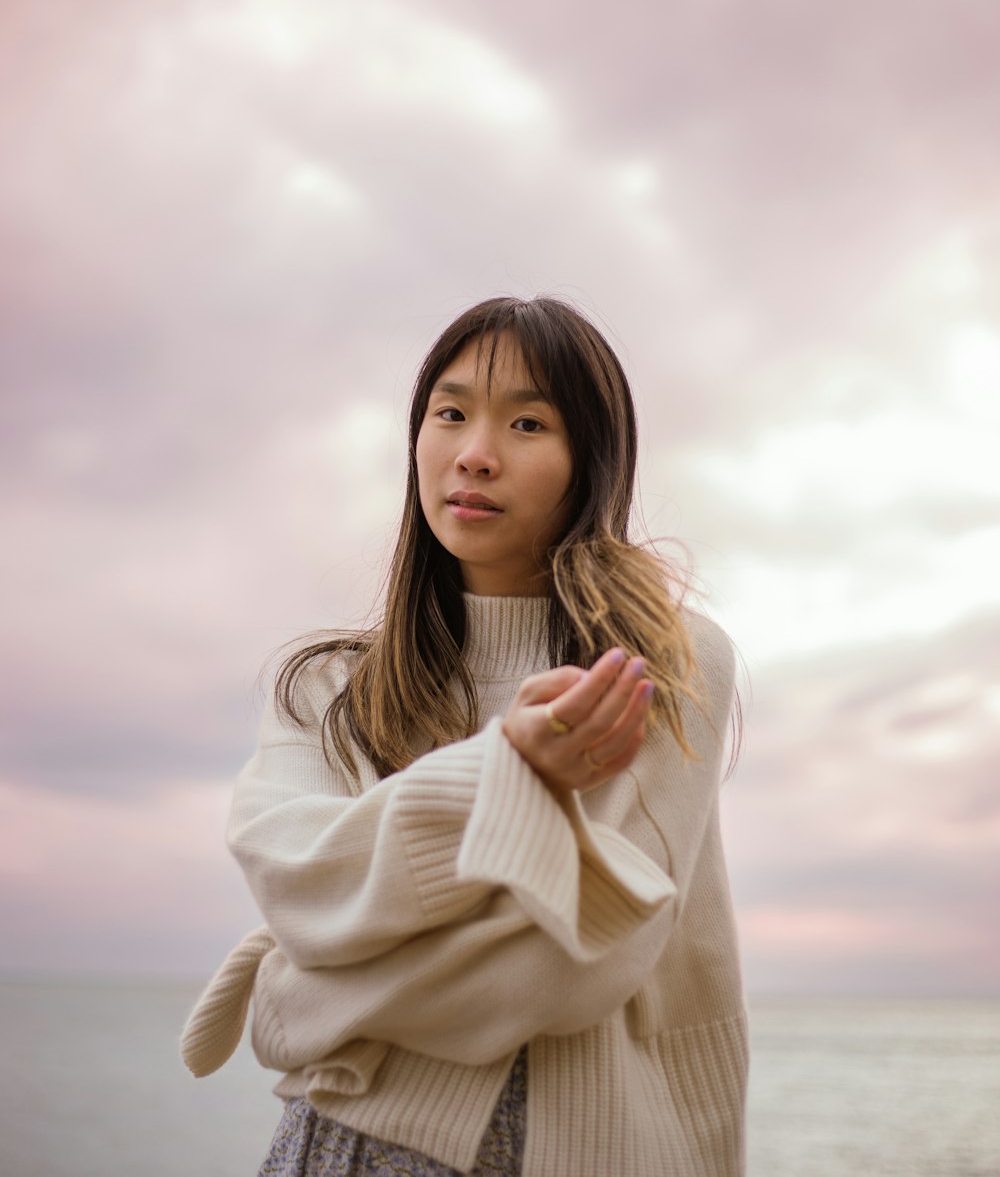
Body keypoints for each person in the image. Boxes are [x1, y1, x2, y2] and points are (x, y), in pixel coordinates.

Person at [180, 296, 748, 1177]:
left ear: (589, 461)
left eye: (527, 422)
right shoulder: (328, 689)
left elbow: (567, 964)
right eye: (450, 414)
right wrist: (506, 777)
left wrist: (299, 994)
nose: (474, 454)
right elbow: (300, 884)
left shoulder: (658, 666)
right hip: (345, 1151)